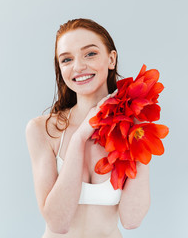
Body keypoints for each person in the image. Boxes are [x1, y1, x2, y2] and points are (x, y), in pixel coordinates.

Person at [25, 18, 151, 238]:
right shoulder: (42, 130)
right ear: (60, 68)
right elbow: (58, 223)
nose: (78, 66)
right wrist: (80, 137)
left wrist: (140, 138)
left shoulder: (132, 128)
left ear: (111, 59)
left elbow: (132, 220)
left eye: (90, 54)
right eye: (66, 59)